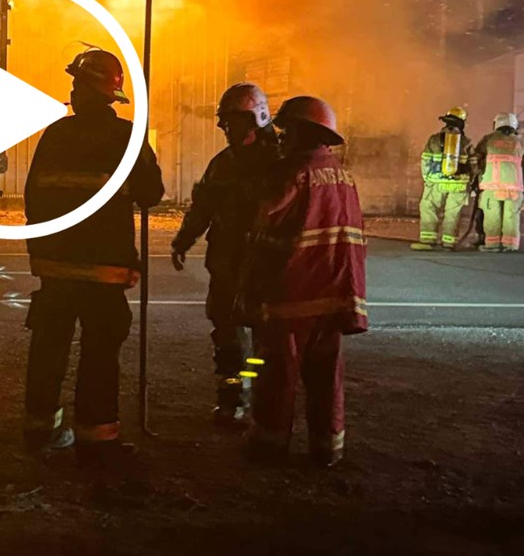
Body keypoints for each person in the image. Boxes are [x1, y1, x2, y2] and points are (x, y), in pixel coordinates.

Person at [22, 47, 164, 472]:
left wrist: (42, 249)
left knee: (48, 348)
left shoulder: (56, 135)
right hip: (105, 268)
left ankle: (38, 429)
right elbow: (151, 194)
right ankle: (96, 439)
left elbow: (33, 196)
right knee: (100, 354)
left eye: (74, 84)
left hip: (55, 265)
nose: (70, 91)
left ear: (85, 90)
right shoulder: (127, 137)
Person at [244, 95, 368, 468]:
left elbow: (261, 215)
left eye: (286, 131)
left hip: (292, 294)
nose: (281, 138)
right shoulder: (344, 176)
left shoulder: (291, 172)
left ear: (302, 131)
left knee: (277, 374)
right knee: (327, 377)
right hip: (334, 296)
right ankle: (327, 448)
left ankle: (269, 444)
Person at [170, 82, 281, 426]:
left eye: (231, 122)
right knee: (229, 340)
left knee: (268, 342)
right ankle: (232, 401)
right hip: (227, 265)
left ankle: (268, 406)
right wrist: (183, 240)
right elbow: (204, 206)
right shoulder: (223, 164)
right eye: (225, 123)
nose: (224, 129)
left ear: (256, 119)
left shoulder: (281, 162)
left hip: (266, 266)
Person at [412, 107, 474, 251]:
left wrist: (427, 179)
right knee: (453, 213)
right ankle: (449, 243)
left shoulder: (434, 140)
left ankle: (427, 241)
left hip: (436, 183)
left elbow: (425, 161)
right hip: (458, 184)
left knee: (429, 209)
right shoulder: (466, 142)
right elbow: (473, 165)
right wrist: (470, 182)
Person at [471, 112, 524, 252]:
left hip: (491, 187)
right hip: (514, 188)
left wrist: (475, 177)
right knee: (511, 216)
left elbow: (475, 159)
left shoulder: (488, 140)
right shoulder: (522, 142)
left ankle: (492, 244)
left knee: (492, 216)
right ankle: (510, 245)